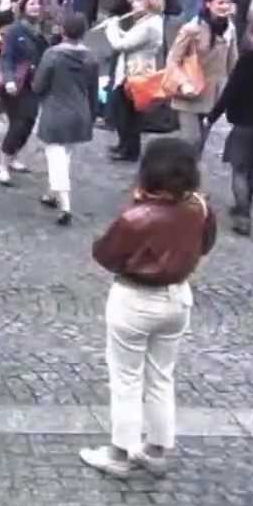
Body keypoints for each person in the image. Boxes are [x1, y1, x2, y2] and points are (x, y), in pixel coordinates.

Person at [81, 137, 216, 478]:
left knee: (126, 379)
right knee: (161, 376)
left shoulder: (137, 216)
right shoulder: (199, 206)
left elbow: (106, 255)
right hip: (177, 296)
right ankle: (156, 448)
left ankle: (119, 453)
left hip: (135, 298)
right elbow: (206, 243)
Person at [207, 11, 253, 236]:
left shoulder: (249, 60)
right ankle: (246, 205)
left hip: (245, 121)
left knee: (240, 168)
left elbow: (231, 92)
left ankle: (243, 213)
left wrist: (212, 116)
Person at [33, 13, 100, 225]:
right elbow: (93, 90)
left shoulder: (52, 55)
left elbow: (38, 86)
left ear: (62, 31)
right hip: (80, 113)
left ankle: (65, 204)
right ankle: (52, 194)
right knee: (66, 154)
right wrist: (92, 114)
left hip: (56, 112)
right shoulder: (91, 58)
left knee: (56, 157)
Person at [167, 0, 238, 155]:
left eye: (228, 3)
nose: (225, 7)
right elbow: (172, 60)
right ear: (208, 4)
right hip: (189, 93)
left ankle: (188, 175)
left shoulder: (230, 30)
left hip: (214, 96)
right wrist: (183, 83)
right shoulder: (192, 29)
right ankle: (177, 172)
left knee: (200, 144)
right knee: (191, 139)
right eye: (220, 3)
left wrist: (234, 90)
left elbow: (233, 63)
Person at [107, 0, 167, 162]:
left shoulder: (149, 25)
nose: (134, 5)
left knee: (128, 113)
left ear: (150, 2)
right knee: (125, 110)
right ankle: (124, 144)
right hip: (133, 68)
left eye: (139, 1)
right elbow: (128, 39)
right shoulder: (147, 20)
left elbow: (121, 45)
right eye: (134, 1)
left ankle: (129, 149)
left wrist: (111, 29)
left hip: (136, 71)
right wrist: (118, 28)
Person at [0, 0, 49, 185]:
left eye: (38, 3)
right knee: (18, 123)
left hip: (34, 83)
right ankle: (3, 165)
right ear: (24, 7)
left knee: (29, 122)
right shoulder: (15, 30)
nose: (35, 7)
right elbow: (6, 57)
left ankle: (14, 156)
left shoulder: (44, 29)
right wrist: (9, 79)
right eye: (32, 3)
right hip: (15, 85)